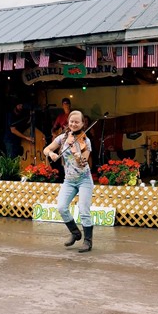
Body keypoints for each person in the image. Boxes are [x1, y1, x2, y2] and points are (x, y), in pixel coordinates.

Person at [43, 110, 94, 253]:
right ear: (68, 123)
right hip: (69, 180)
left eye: (77, 122)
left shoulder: (86, 141)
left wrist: (77, 154)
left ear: (83, 124)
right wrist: (51, 153)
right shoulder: (62, 138)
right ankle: (75, 233)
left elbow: (82, 163)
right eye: (72, 121)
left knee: (84, 210)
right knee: (61, 207)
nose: (74, 124)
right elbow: (46, 149)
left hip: (84, 180)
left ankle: (88, 241)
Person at [50, 98, 72, 181]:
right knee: (62, 156)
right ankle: (63, 175)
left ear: (70, 105)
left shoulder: (73, 115)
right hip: (63, 139)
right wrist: (54, 134)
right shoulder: (60, 117)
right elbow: (53, 128)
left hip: (71, 138)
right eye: (64, 104)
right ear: (62, 105)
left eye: (67, 103)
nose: (66, 105)